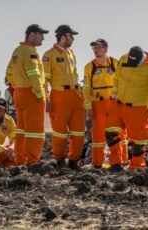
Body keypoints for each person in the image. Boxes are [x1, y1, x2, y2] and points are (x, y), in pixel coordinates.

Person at [105, 46, 148, 171]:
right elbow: (117, 78)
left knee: (138, 142)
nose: (132, 64)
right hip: (118, 104)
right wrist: (114, 94)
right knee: (110, 133)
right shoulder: (124, 58)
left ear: (142, 59)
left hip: (138, 108)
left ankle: (137, 167)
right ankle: (116, 165)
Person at [43, 25, 85, 170]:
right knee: (60, 131)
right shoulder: (49, 55)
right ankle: (59, 159)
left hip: (75, 95)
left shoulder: (71, 53)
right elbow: (44, 80)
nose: (73, 38)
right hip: (59, 96)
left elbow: (75, 75)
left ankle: (73, 160)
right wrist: (47, 99)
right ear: (63, 37)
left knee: (79, 131)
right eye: (70, 36)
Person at [5, 24, 48, 165]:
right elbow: (33, 74)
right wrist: (39, 93)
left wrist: (16, 84)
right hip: (31, 94)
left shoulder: (17, 51)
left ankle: (20, 159)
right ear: (32, 35)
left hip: (19, 93)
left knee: (22, 129)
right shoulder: (30, 52)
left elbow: (9, 72)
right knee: (34, 130)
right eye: (41, 34)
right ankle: (32, 161)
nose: (43, 38)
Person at [83, 38, 128, 168]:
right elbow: (86, 88)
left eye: (99, 47)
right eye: (94, 48)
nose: (96, 51)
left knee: (119, 132)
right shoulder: (89, 67)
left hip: (114, 104)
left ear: (106, 49)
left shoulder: (115, 63)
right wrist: (88, 107)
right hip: (98, 104)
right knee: (97, 133)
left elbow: (124, 81)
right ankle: (97, 163)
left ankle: (120, 161)